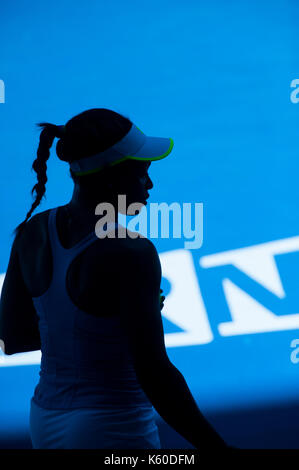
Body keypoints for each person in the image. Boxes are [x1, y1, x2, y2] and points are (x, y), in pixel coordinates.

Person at [0, 108, 228, 450]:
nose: (150, 183)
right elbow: (155, 373)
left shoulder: (32, 233)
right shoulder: (130, 251)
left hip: (44, 420)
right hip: (111, 426)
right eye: (142, 171)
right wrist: (217, 447)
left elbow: (12, 337)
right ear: (111, 177)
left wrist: (93, 325)